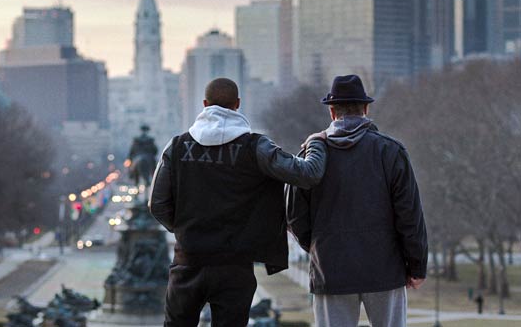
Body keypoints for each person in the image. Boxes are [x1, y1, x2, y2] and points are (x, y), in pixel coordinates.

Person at [149, 78, 328, 327]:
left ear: (204, 104)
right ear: (237, 104)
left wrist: (185, 229)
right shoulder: (256, 147)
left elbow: (157, 204)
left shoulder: (177, 146)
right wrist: (317, 142)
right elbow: (308, 174)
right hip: (235, 264)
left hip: (188, 259)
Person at [287, 74, 428, 327]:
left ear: (332, 112)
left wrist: (320, 246)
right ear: (365, 109)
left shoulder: (310, 155)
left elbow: (295, 215)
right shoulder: (391, 151)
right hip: (385, 269)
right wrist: (416, 265)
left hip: (331, 271)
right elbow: (410, 215)